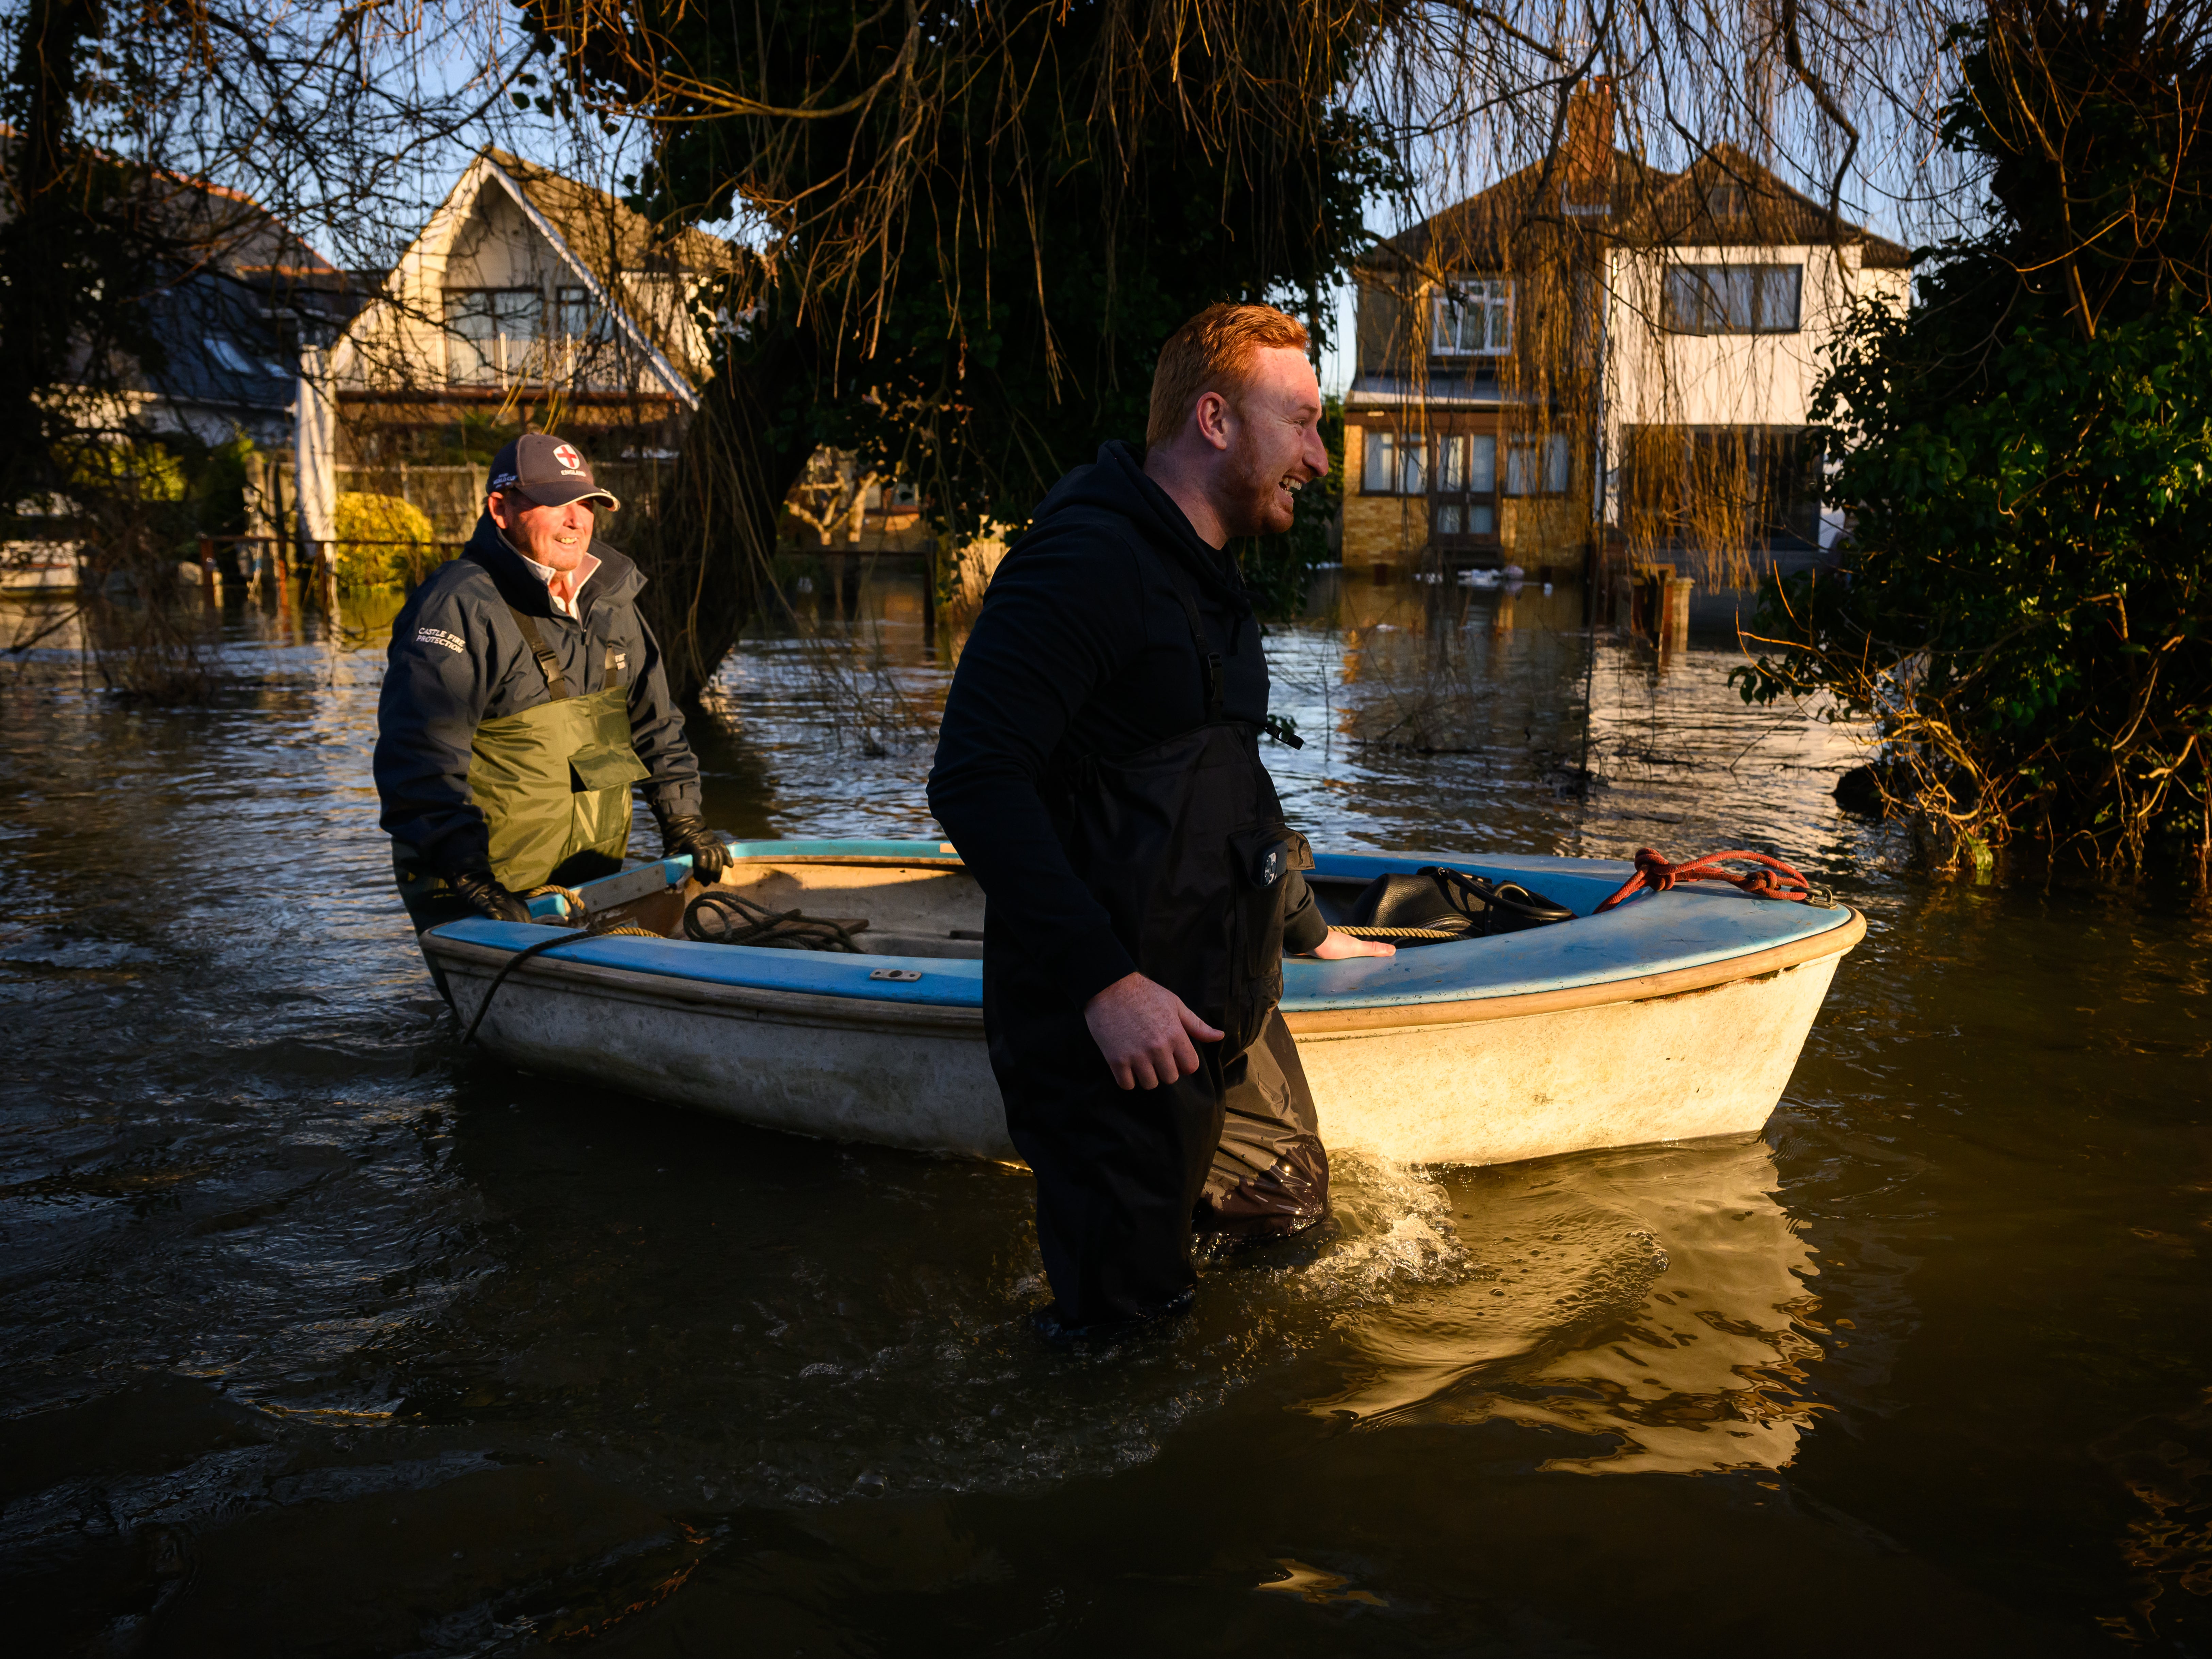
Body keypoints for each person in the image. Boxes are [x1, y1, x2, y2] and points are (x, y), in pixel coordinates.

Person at [926, 303, 1395, 1335]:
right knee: (1129, 1339)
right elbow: (973, 778)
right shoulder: (1085, 563)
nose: (1320, 456)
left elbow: (1231, 796)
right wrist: (1103, 982)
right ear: (1216, 420)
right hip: (1118, 1031)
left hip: (1224, 1001)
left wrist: (1311, 929)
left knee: (1288, 1210)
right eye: (1304, 422)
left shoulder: (1211, 577)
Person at [375, 432, 730, 939]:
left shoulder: (612, 601)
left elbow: (657, 726)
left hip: (592, 882)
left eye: (587, 503)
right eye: (555, 503)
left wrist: (683, 820)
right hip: (485, 895)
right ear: (500, 509)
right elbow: (418, 759)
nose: (576, 520)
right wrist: (468, 874)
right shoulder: (456, 607)